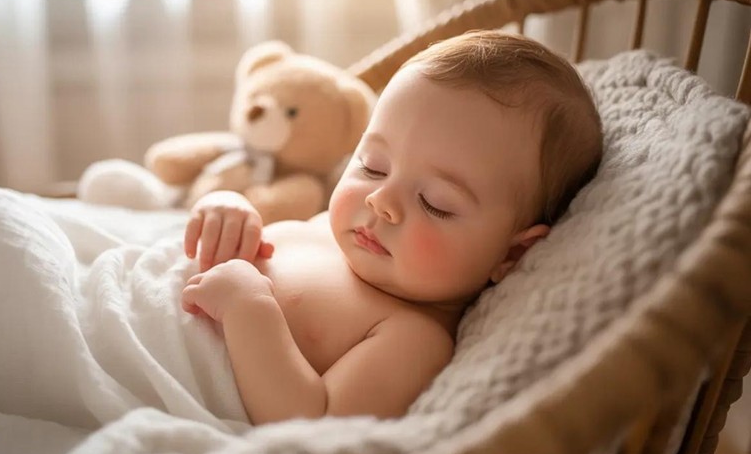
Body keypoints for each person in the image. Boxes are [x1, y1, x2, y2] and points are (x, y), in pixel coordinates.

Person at [180, 30, 603, 426]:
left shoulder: (412, 338)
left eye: (434, 203)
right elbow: (253, 226)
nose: (378, 201)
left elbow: (313, 425)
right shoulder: (335, 225)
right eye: (372, 165)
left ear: (512, 254)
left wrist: (248, 308)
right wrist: (229, 208)